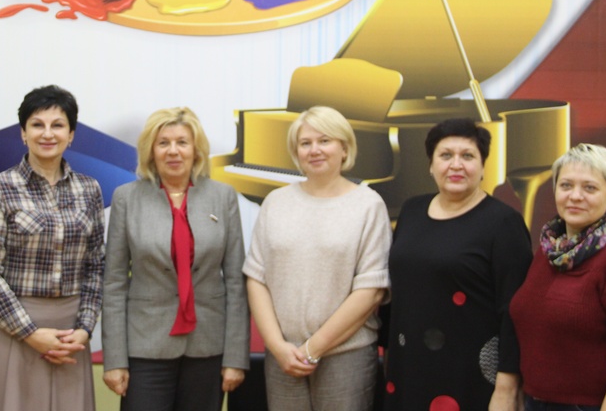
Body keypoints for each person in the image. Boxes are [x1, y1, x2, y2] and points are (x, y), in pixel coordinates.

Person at [0, 85, 105, 411]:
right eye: (37, 124)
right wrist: (30, 333)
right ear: (23, 133)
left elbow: (96, 266)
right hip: (11, 331)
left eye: (58, 125)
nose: (47, 133)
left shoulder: (90, 190)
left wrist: (85, 328)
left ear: (71, 134)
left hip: (70, 338)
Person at [244, 105, 392, 411]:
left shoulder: (368, 205)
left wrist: (313, 348)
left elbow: (371, 290)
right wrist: (277, 346)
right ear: (296, 152)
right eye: (305, 143)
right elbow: (256, 278)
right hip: (282, 357)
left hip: (345, 356)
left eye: (325, 141)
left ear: (344, 148)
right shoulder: (275, 202)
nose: (315, 150)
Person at [102, 107, 249, 411]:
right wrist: (114, 360)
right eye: (163, 143)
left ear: (196, 150)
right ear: (151, 150)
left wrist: (236, 357)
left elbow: (236, 282)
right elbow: (114, 283)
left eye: (182, 142)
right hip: (145, 346)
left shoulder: (223, 197)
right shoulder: (126, 198)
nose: (173, 151)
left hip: (208, 346)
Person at [382, 117, 533, 410]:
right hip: (408, 369)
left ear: (483, 166)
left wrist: (507, 388)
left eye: (467, 156)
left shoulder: (504, 223)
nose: (456, 165)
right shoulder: (412, 210)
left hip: (470, 376)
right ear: (431, 165)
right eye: (445, 155)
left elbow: (515, 311)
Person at [510, 143, 606, 411]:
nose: (575, 196)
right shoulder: (548, 252)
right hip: (533, 402)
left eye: (590, 188)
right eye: (566, 185)